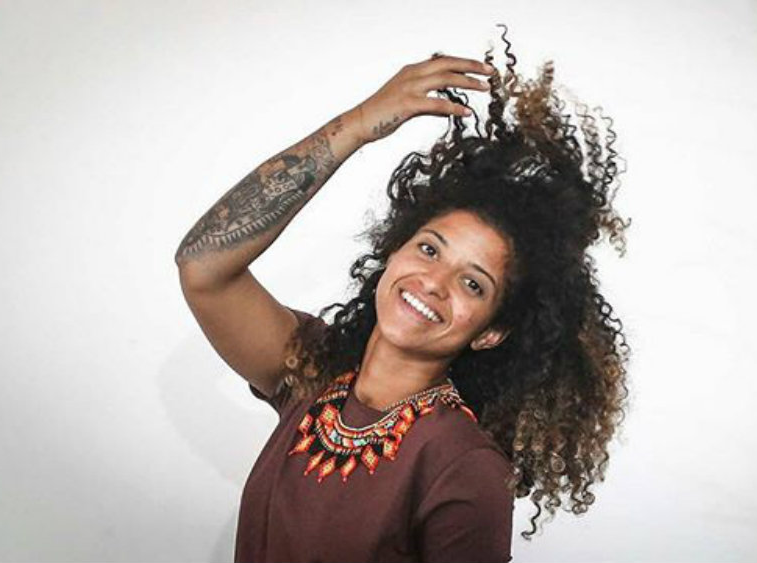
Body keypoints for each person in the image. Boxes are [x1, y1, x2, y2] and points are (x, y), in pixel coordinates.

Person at [176, 25, 631, 563]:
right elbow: (203, 265)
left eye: (472, 283)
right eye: (429, 249)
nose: (433, 282)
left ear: (491, 331)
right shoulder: (312, 372)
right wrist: (358, 125)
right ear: (393, 252)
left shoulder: (463, 467)